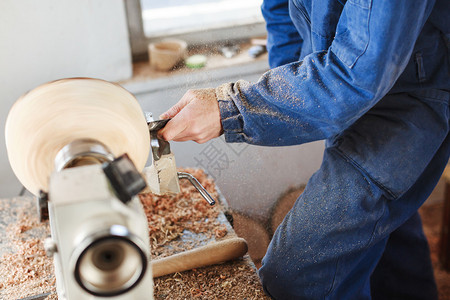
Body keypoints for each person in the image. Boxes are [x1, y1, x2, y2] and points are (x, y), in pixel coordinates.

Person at [158, 0, 450, 298]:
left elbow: (357, 76)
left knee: (296, 275)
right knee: (375, 224)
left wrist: (229, 109)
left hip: (405, 105)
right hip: (341, 90)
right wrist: (293, 85)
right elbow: (278, 8)